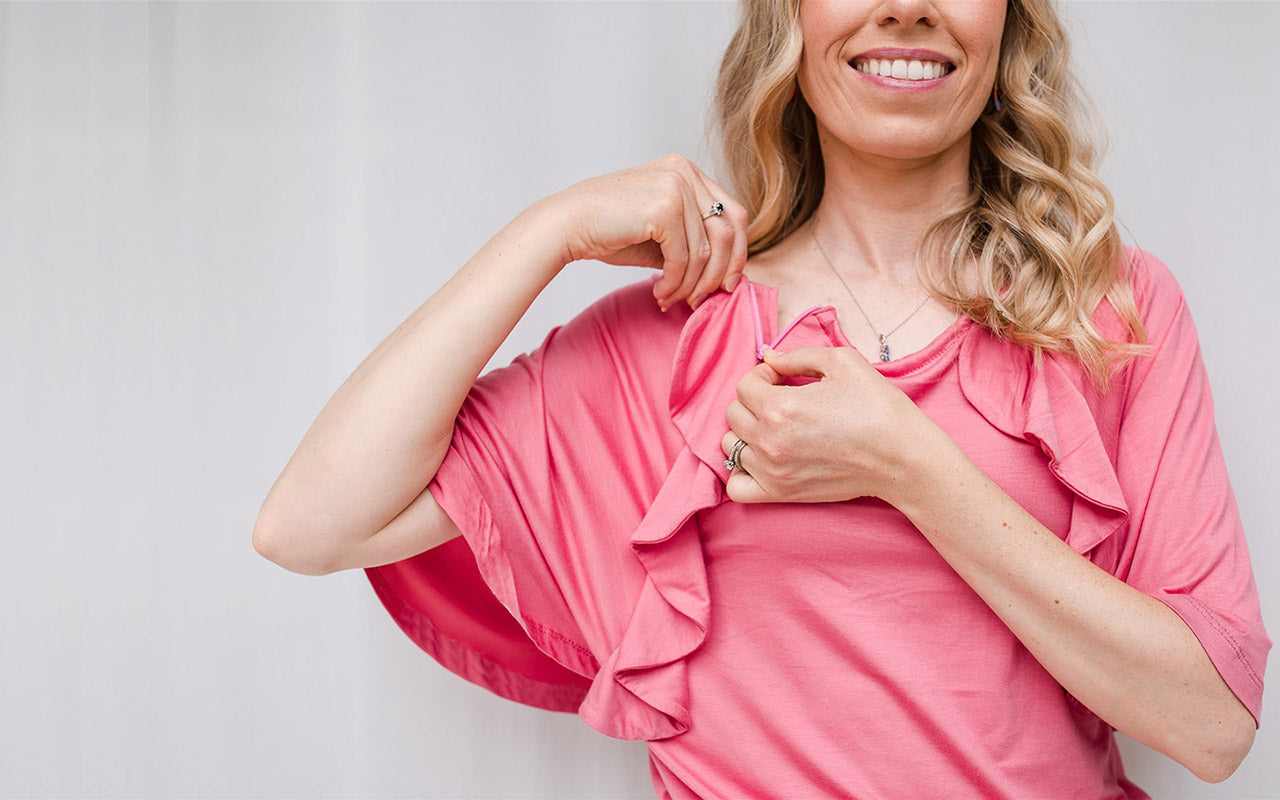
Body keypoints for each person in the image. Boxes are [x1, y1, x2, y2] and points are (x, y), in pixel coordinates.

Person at [253, 0, 1269, 796]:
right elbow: (307, 521)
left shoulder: (1109, 310)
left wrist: (906, 465)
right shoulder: (670, 339)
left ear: (1006, 21)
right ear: (791, 17)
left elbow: (1212, 726)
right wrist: (548, 229)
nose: (906, 5)